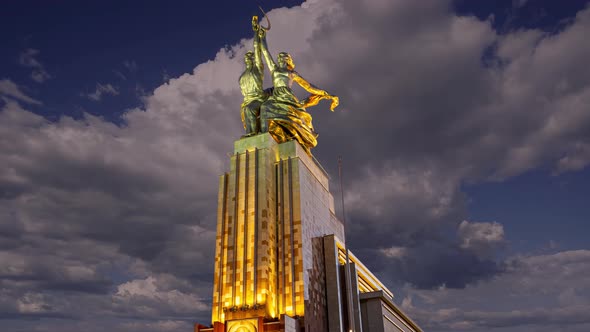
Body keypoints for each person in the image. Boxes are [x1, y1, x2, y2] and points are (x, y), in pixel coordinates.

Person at [258, 28, 339, 155]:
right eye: (279, 57)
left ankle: (294, 137)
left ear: (287, 60)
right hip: (276, 96)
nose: (279, 59)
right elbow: (266, 53)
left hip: (288, 98)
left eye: (282, 57)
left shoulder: (292, 73)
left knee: (292, 119)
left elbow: (309, 86)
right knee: (264, 107)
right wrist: (261, 37)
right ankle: (263, 137)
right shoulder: (274, 69)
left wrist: (325, 94)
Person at [239, 16, 268, 137]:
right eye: (247, 56)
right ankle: (251, 134)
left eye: (251, 56)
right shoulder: (242, 76)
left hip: (258, 99)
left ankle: (251, 134)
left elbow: (257, 49)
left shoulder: (258, 69)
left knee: (250, 109)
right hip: (247, 102)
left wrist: (256, 32)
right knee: (247, 109)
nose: (249, 57)